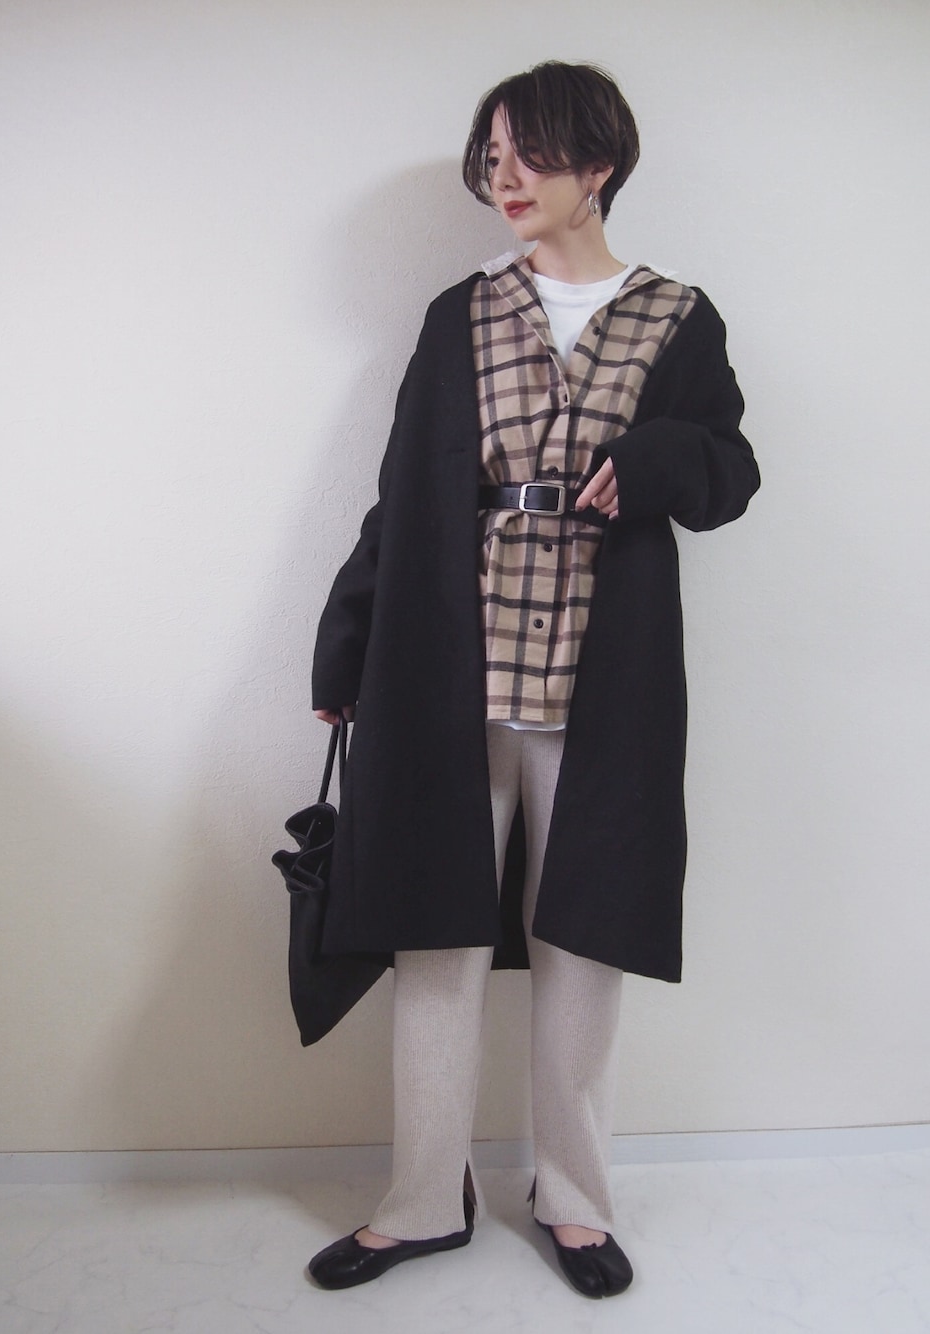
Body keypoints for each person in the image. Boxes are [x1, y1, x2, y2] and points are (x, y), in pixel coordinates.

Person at [305, 60, 759, 1298]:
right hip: (447, 676)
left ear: (597, 164)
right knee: (433, 939)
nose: (502, 176)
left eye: (529, 152)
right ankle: (421, 1197)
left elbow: (730, 470)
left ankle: (572, 1197)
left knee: (583, 941)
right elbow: (402, 494)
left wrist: (656, 459)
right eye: (491, 154)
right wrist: (345, 644)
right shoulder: (459, 314)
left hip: (600, 685)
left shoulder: (677, 317)